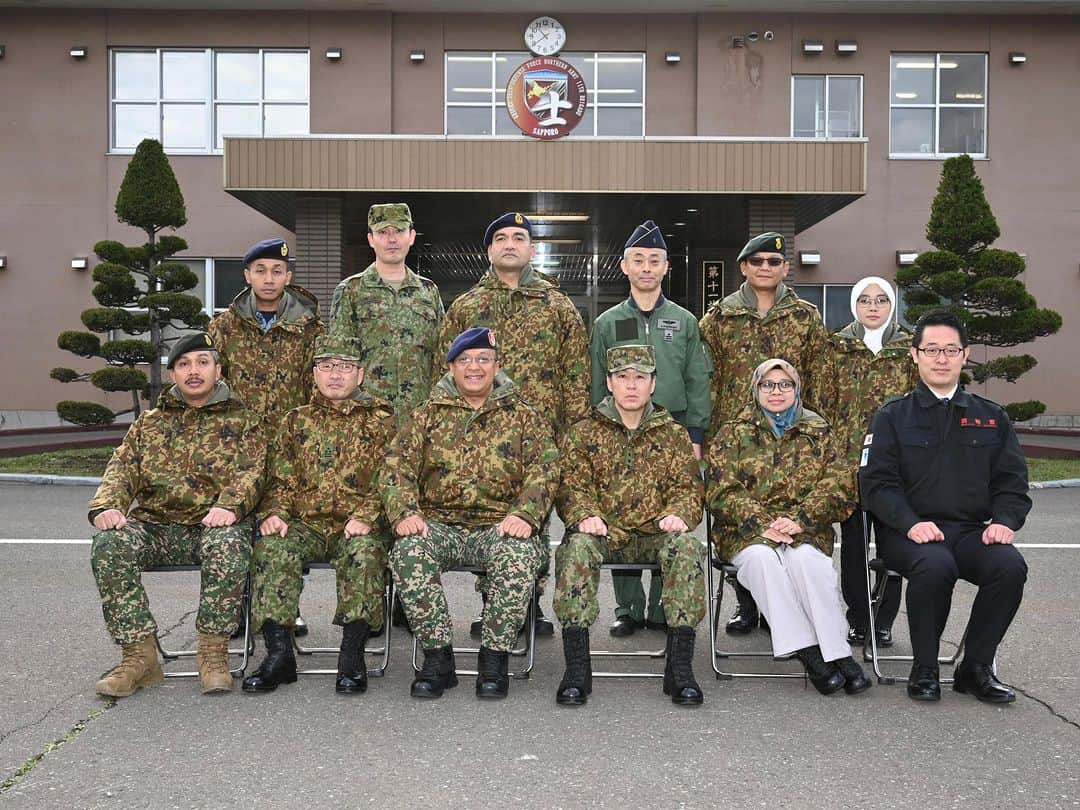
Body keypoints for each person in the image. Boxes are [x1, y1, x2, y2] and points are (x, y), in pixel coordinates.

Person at [860, 310, 1030, 704]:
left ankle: (976, 667)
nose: (941, 358)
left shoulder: (991, 418)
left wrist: (1004, 521)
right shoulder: (891, 417)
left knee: (1009, 567)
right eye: (931, 349)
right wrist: (910, 523)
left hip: (969, 531)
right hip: (908, 534)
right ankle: (925, 668)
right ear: (915, 355)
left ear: (965, 354)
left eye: (950, 350)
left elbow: (1012, 483)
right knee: (935, 565)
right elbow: (876, 485)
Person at [382, 327, 559, 700]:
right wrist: (405, 512)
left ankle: (494, 659)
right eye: (465, 360)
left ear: (498, 365)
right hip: (439, 524)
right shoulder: (427, 415)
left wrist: (526, 515)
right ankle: (438, 658)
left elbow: (545, 470)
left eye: (483, 359)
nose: (474, 367)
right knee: (408, 552)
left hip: (498, 525)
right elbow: (395, 468)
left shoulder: (524, 416)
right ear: (450, 367)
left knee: (520, 554)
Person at [438, 212, 590, 638]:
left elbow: (576, 375)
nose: (510, 244)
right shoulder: (466, 307)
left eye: (519, 238)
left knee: (533, 518)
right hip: (482, 436)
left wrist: (574, 433)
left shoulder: (558, 306)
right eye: (500, 238)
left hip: (541, 435)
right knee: (491, 516)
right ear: (489, 251)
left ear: (532, 250)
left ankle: (529, 603)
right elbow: (446, 373)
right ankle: (496, 604)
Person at [89, 333, 266, 696]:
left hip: (213, 526)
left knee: (230, 543)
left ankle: (213, 652)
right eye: (183, 365)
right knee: (109, 544)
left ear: (218, 369)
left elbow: (253, 471)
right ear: (173, 375)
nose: (194, 371)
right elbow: (122, 467)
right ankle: (139, 656)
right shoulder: (151, 423)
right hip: (157, 527)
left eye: (202, 362)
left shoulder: (244, 420)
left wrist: (229, 506)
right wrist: (107, 506)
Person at [706, 358, 870, 696]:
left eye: (785, 385)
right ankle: (811, 654)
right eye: (768, 384)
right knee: (764, 564)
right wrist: (762, 521)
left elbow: (839, 484)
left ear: (797, 389)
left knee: (810, 565)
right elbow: (720, 489)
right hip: (745, 530)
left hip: (804, 527)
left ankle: (838, 653)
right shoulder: (734, 430)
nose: (776, 391)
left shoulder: (819, 430)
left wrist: (801, 519)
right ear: (756, 389)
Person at [242, 336, 395, 696]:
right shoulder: (295, 421)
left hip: (357, 523)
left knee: (364, 553)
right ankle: (279, 656)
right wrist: (276, 513)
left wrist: (369, 515)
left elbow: (393, 477)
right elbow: (279, 477)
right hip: (305, 523)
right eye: (327, 366)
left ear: (360, 374)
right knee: (272, 548)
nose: (335, 375)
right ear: (314, 373)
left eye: (344, 367)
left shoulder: (383, 420)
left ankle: (352, 657)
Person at [699, 231, 835, 635]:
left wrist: (815, 429)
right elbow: (707, 377)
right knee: (740, 522)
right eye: (756, 261)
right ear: (743, 267)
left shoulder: (805, 316)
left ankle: (789, 608)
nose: (764, 268)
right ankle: (748, 606)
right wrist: (709, 436)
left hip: (791, 435)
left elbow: (821, 377)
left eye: (773, 262)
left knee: (789, 519)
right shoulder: (720, 317)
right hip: (735, 437)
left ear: (785, 269)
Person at [554, 345, 706, 706]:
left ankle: (680, 669)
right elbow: (570, 485)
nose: (632, 385)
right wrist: (584, 514)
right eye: (623, 377)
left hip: (655, 533)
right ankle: (576, 668)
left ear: (653, 383)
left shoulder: (672, 433)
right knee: (575, 547)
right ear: (609, 382)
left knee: (686, 547)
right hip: (604, 533)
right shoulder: (584, 432)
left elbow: (689, 487)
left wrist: (680, 513)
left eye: (640, 377)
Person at [587, 220, 711, 638]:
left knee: (669, 515)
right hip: (619, 430)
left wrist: (695, 437)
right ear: (623, 266)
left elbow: (697, 378)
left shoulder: (685, 321)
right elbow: (596, 378)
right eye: (637, 260)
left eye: (654, 261)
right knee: (619, 511)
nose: (646, 267)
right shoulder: (607, 323)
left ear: (665, 267)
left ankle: (663, 606)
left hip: (671, 429)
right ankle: (628, 608)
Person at [209, 237, 325, 636]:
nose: (269, 278)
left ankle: (286, 606)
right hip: (239, 444)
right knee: (241, 521)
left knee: (285, 524)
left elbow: (318, 386)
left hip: (292, 445)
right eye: (261, 271)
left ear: (288, 277)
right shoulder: (224, 327)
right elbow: (212, 381)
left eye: (277, 271)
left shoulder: (309, 327)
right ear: (247, 276)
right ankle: (240, 602)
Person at [824, 277, 919, 648]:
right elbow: (824, 402)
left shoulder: (909, 346)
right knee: (853, 548)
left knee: (894, 546)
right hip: (850, 466)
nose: (873, 306)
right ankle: (859, 618)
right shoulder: (838, 346)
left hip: (897, 467)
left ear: (892, 304)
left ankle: (884, 620)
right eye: (865, 300)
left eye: (881, 300)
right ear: (854, 305)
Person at [329, 203, 444, 430]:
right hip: (367, 422)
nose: (392, 240)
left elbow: (441, 356)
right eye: (383, 232)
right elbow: (340, 358)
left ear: (411, 237)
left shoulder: (428, 291)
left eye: (399, 231)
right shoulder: (351, 290)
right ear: (371, 239)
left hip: (419, 421)